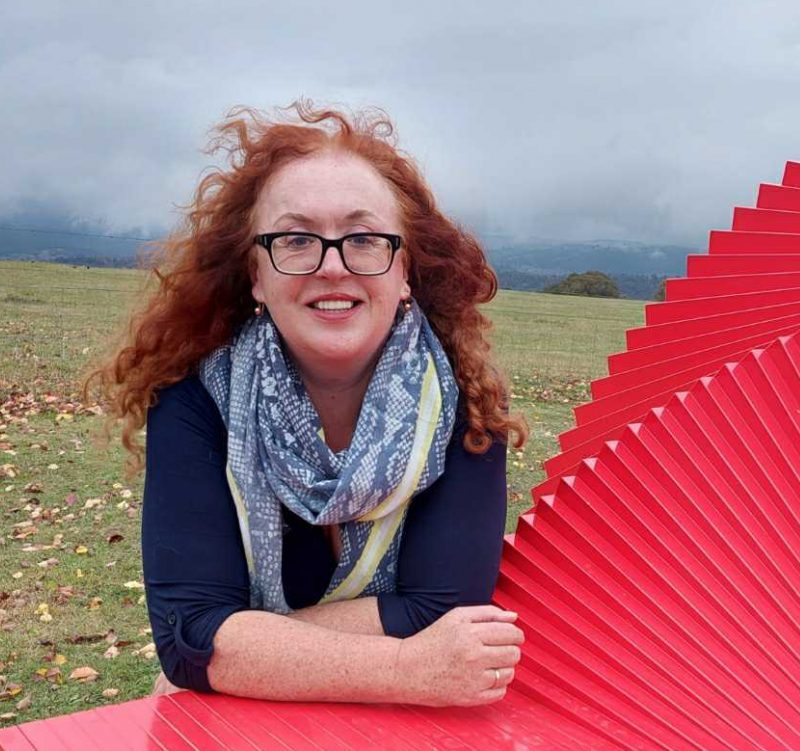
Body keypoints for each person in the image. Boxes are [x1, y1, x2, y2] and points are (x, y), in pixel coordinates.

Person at [85, 102, 528, 707]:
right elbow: (191, 635)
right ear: (256, 275)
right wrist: (403, 666)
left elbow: (444, 608)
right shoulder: (195, 398)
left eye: (365, 239)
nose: (332, 266)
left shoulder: (466, 405)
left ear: (405, 270)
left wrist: (235, 653)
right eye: (296, 239)